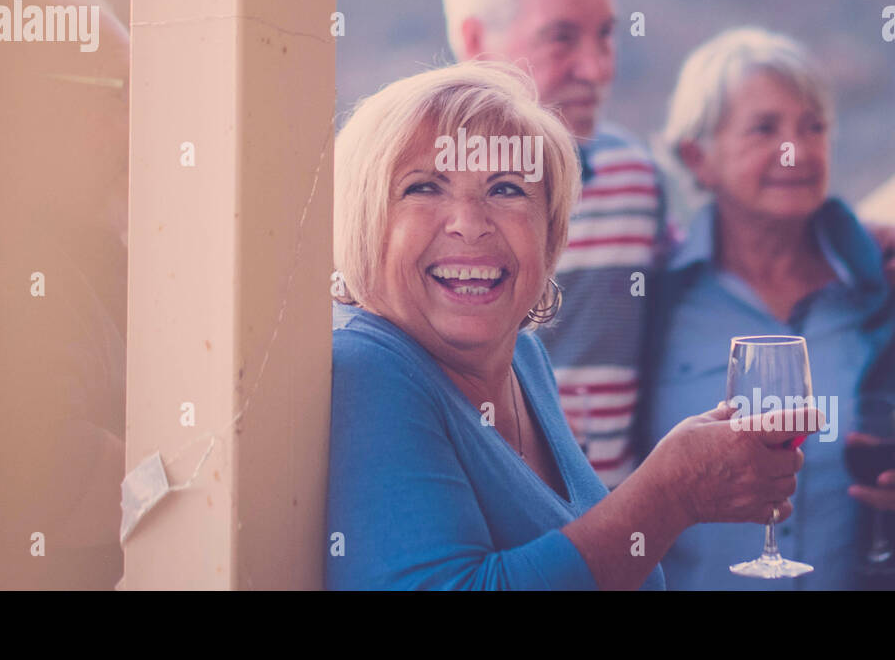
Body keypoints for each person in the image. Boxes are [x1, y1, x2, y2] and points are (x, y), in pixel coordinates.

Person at [442, 0, 895, 487]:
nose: (597, 68)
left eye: (605, 36)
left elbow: (710, 253)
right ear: (474, 40)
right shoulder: (418, 208)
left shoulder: (632, 178)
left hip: (617, 544)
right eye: (561, 38)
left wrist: (853, 238)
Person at [325, 61, 820, 589]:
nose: (469, 223)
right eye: (424, 187)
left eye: (507, 189)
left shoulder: (524, 358)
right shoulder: (365, 369)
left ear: (551, 232)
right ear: (363, 223)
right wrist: (670, 496)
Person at [640, 28, 895, 589]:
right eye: (766, 128)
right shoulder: (650, 311)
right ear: (698, 157)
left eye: (815, 127)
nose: (800, 150)